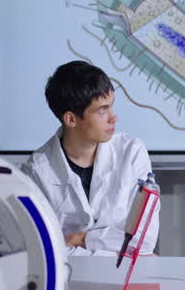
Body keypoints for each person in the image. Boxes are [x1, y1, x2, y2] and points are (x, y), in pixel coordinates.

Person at [22, 60, 159, 256]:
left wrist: (81, 239)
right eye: (102, 110)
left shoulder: (132, 152)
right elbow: (43, 250)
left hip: (124, 279)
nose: (114, 117)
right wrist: (119, 248)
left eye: (111, 106)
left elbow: (144, 241)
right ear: (71, 119)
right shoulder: (37, 171)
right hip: (70, 281)